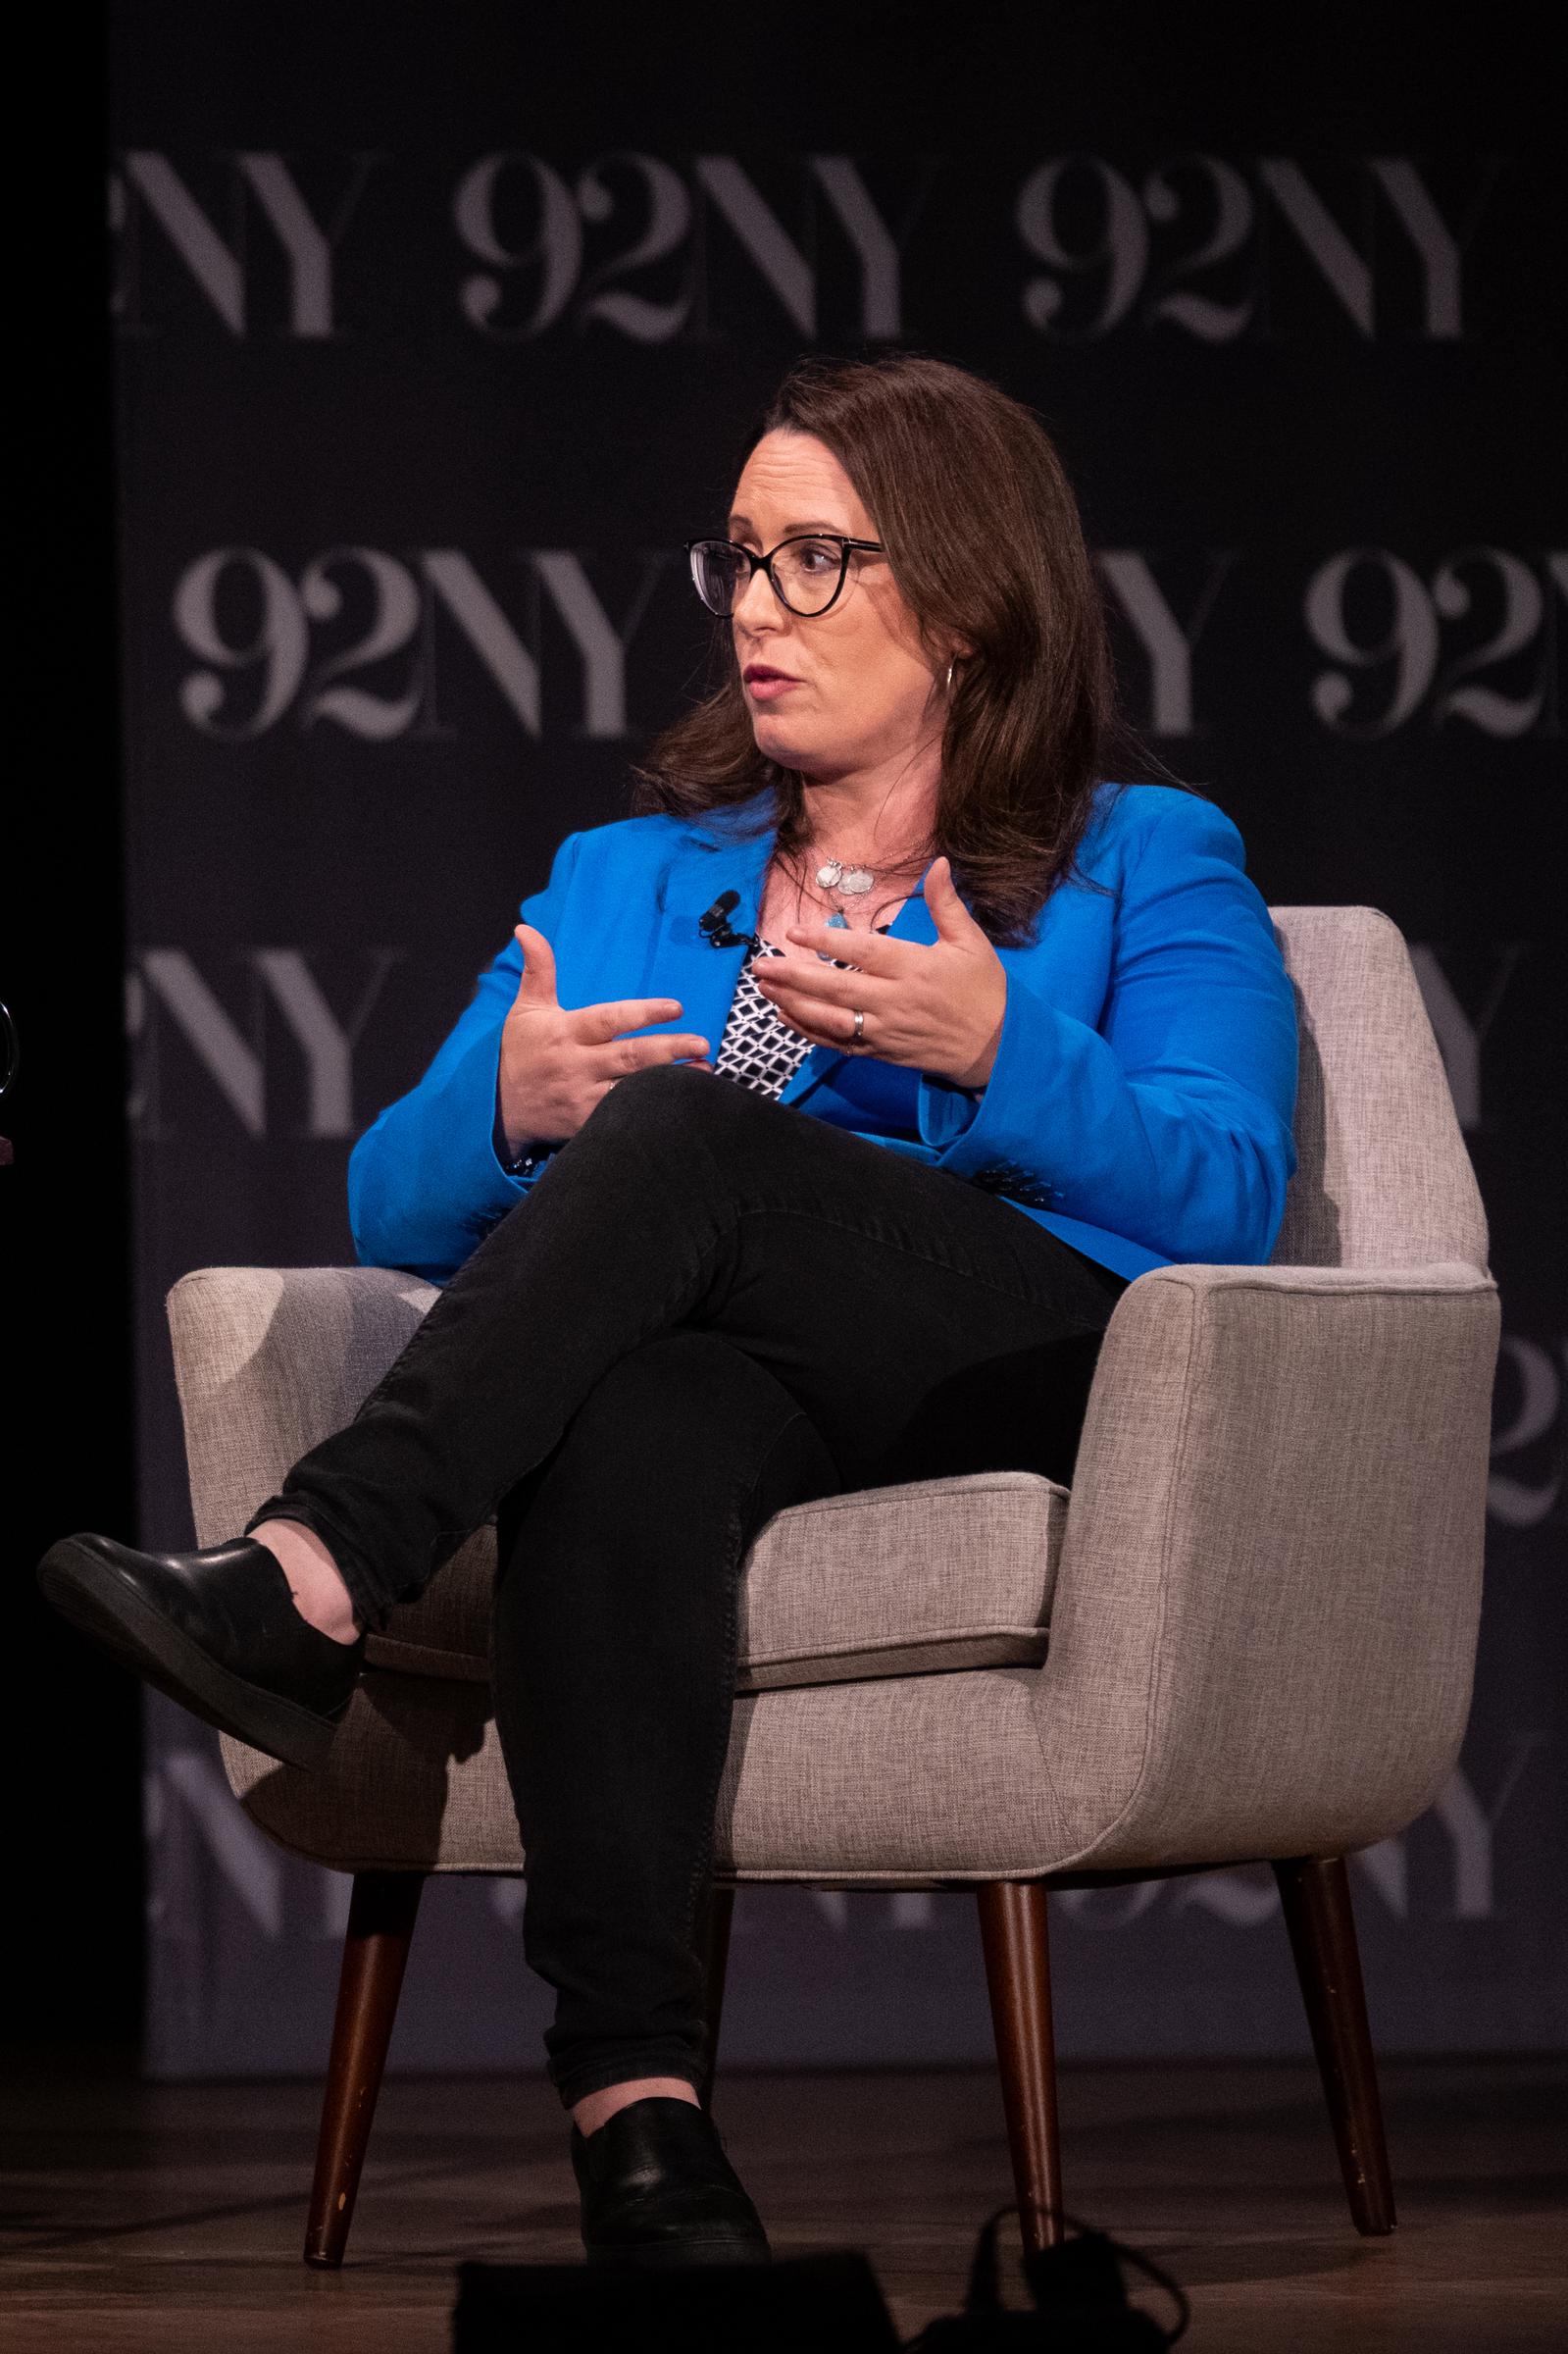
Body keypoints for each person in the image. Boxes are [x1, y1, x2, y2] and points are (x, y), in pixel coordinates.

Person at [39, 352, 1299, 2269]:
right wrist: (511, 1106)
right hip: (753, 1384)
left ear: (958, 605)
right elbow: (390, 1195)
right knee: (631, 1423)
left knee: (696, 1141)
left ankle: (312, 1569)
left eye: (816, 561)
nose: (755, 609)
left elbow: (1226, 1191)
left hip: (1019, 1360)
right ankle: (641, 2115)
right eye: (735, 559)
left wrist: (1000, 1048)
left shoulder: (1140, 854)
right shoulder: (627, 876)